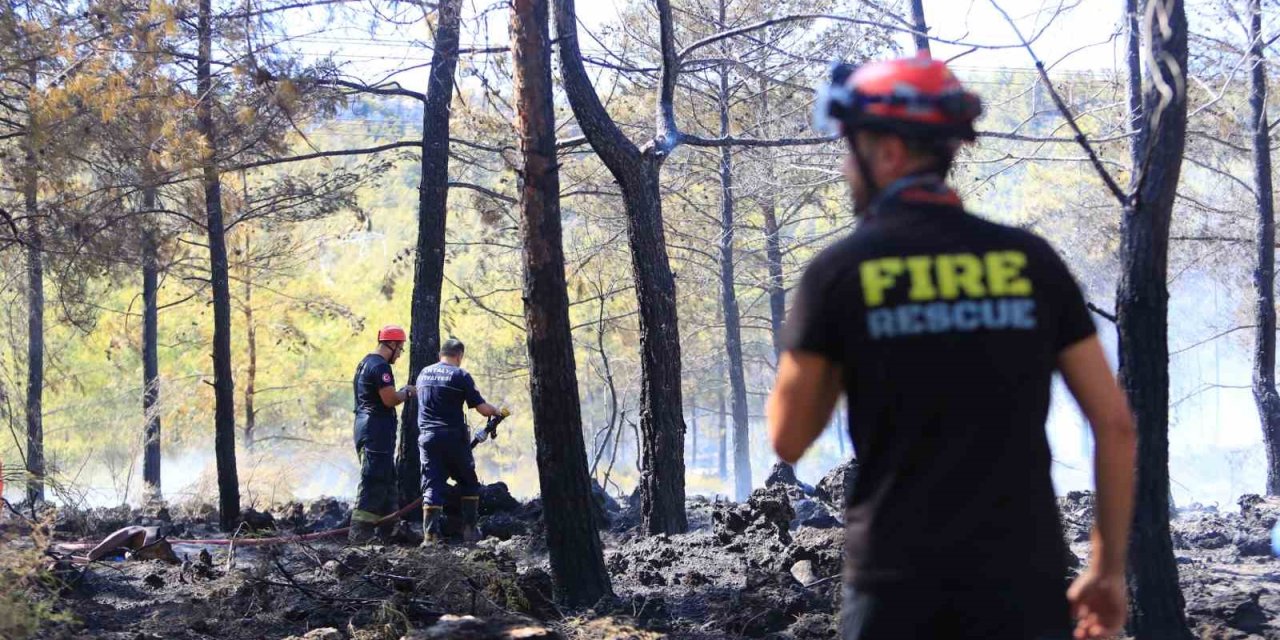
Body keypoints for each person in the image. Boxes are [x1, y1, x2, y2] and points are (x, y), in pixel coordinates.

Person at [767, 54, 1137, 640]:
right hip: (1024, 582)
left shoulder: (839, 273)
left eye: (849, 147)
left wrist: (842, 336)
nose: (845, 166)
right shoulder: (1031, 261)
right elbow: (1115, 424)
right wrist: (1107, 569)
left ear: (887, 151)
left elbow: (788, 437)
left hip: (895, 588)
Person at [417, 337, 507, 544]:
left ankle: (430, 537)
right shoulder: (460, 375)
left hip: (427, 438)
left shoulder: (423, 373)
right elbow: (482, 408)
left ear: (441, 355)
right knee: (468, 482)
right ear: (459, 356)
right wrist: (496, 411)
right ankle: (469, 532)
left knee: (432, 485)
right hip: (453, 437)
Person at [350, 324, 415, 543]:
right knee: (374, 479)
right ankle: (360, 534)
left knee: (387, 479)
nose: (400, 354)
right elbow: (389, 399)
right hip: (375, 430)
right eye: (400, 349)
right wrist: (406, 392)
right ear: (392, 345)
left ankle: (390, 531)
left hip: (370, 429)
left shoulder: (365, 363)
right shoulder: (381, 368)